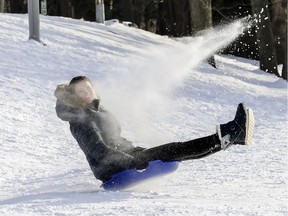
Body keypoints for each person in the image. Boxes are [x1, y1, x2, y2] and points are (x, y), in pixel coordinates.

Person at [54, 76, 255, 183]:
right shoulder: (80, 119)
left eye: (89, 88)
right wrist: (131, 160)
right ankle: (231, 133)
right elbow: (98, 150)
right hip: (112, 167)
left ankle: (230, 138)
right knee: (175, 149)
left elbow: (116, 138)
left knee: (176, 151)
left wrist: (134, 153)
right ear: (75, 96)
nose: (87, 93)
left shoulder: (97, 110)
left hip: (127, 156)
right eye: (81, 91)